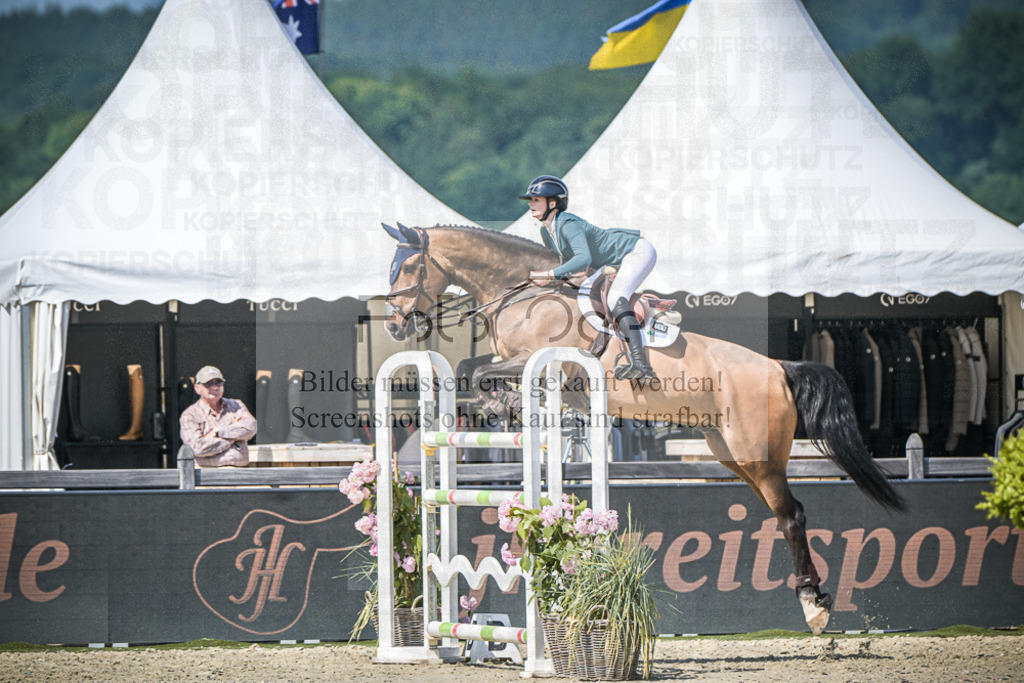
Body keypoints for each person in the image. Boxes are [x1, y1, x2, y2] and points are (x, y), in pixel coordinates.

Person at [521, 175, 658, 381]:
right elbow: (564, 265)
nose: (530, 204)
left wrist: (548, 275)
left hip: (635, 251)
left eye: (536, 199)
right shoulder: (546, 232)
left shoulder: (567, 223)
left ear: (553, 203)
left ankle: (642, 365)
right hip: (608, 262)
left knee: (615, 298)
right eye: (531, 200)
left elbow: (582, 259)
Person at [179, 365, 258, 467]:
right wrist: (233, 438)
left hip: (241, 472)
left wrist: (219, 433)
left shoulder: (236, 405)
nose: (214, 387)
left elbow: (251, 427)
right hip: (208, 476)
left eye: (218, 382)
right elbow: (198, 448)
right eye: (208, 383)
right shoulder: (190, 415)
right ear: (197, 388)